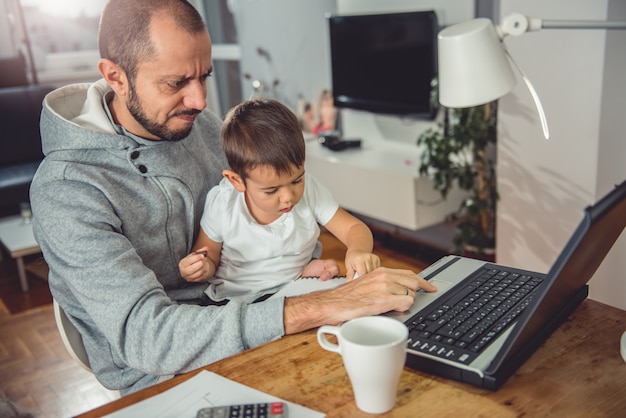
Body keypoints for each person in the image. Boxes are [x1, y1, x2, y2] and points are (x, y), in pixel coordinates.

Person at [30, 0, 437, 395]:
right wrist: (320, 307)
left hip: (262, 311)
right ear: (115, 76)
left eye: (203, 76)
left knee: (406, 354)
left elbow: (271, 214)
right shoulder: (68, 189)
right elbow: (149, 341)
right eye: (176, 83)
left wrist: (306, 268)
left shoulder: (198, 125)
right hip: (166, 377)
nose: (200, 101)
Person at [178, 98, 380, 303]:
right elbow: (208, 256)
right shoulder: (223, 204)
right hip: (236, 300)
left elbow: (353, 228)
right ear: (236, 181)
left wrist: (358, 250)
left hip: (294, 289)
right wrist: (200, 268)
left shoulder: (310, 190)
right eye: (271, 190)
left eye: (297, 180)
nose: (288, 197)